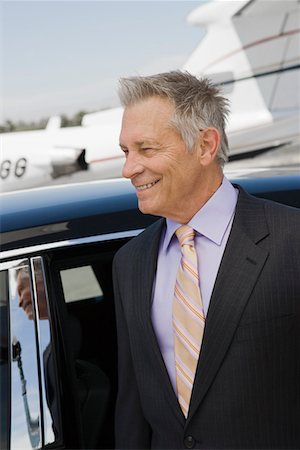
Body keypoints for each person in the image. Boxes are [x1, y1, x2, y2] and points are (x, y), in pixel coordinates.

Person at [112, 71, 300, 449]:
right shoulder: (129, 263)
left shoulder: (292, 240)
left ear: (205, 146)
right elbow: (132, 409)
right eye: (126, 152)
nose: (129, 168)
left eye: (146, 149)